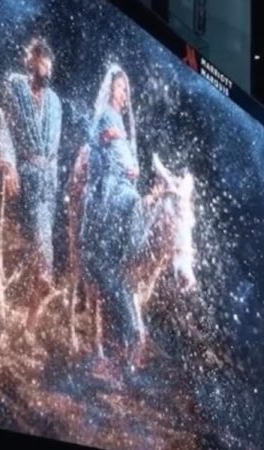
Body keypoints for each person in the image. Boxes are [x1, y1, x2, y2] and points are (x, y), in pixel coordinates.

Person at [0, 38, 63, 330]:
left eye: (47, 64)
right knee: (40, 250)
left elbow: (55, 150)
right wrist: (9, 166)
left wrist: (53, 182)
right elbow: (4, 126)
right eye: (38, 62)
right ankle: (27, 309)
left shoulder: (55, 103)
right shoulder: (15, 87)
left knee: (43, 249)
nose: (44, 68)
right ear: (29, 62)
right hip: (25, 175)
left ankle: (30, 321)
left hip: (48, 184)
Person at [80, 64, 146, 368]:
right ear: (111, 89)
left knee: (138, 201)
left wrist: (133, 169)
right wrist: (105, 136)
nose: (124, 93)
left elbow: (127, 157)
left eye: (126, 89)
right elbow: (94, 138)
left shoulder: (123, 121)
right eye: (120, 87)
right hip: (109, 186)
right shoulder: (105, 114)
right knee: (134, 203)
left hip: (123, 183)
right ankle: (132, 253)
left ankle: (130, 255)